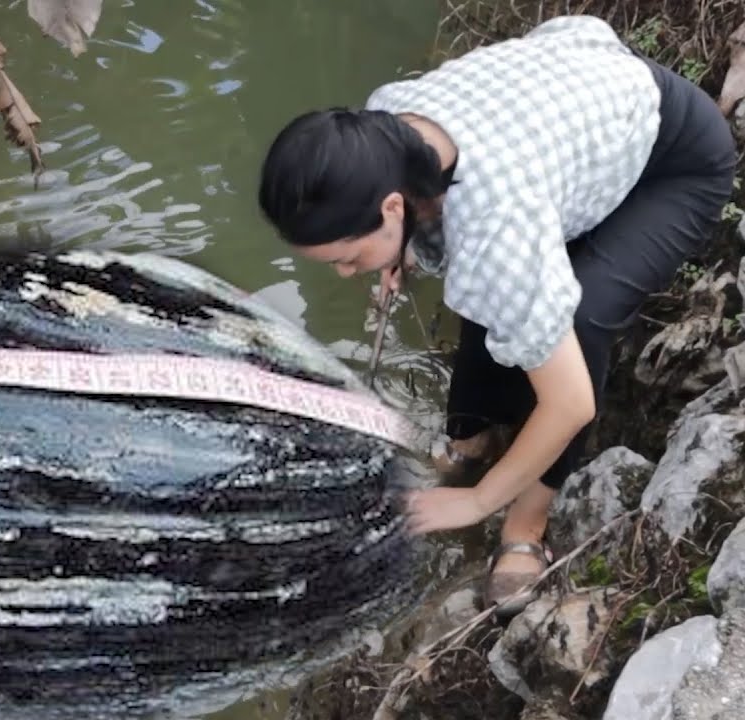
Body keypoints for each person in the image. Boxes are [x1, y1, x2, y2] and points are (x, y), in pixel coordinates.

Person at [255, 14, 736, 617]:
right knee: (487, 289)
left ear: (392, 205)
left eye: (350, 258)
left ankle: (526, 524)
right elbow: (450, 236)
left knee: (580, 320)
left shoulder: (494, 229)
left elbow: (572, 404)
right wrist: (396, 249)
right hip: (573, 118)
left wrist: (478, 502)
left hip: (674, 162)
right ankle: (472, 437)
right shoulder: (383, 123)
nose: (347, 273)